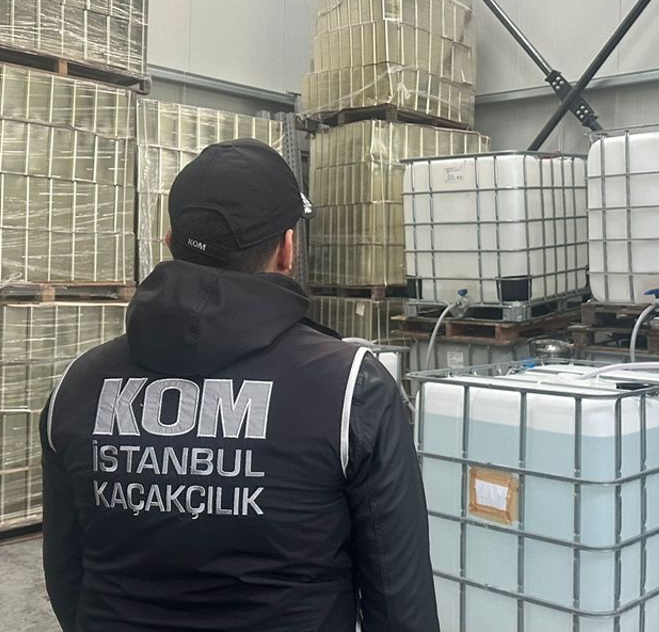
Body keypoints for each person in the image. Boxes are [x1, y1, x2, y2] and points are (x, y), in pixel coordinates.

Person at [39, 139, 439, 632]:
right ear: (288, 250)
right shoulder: (350, 389)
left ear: (169, 240)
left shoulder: (78, 386)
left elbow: (67, 574)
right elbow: (399, 598)